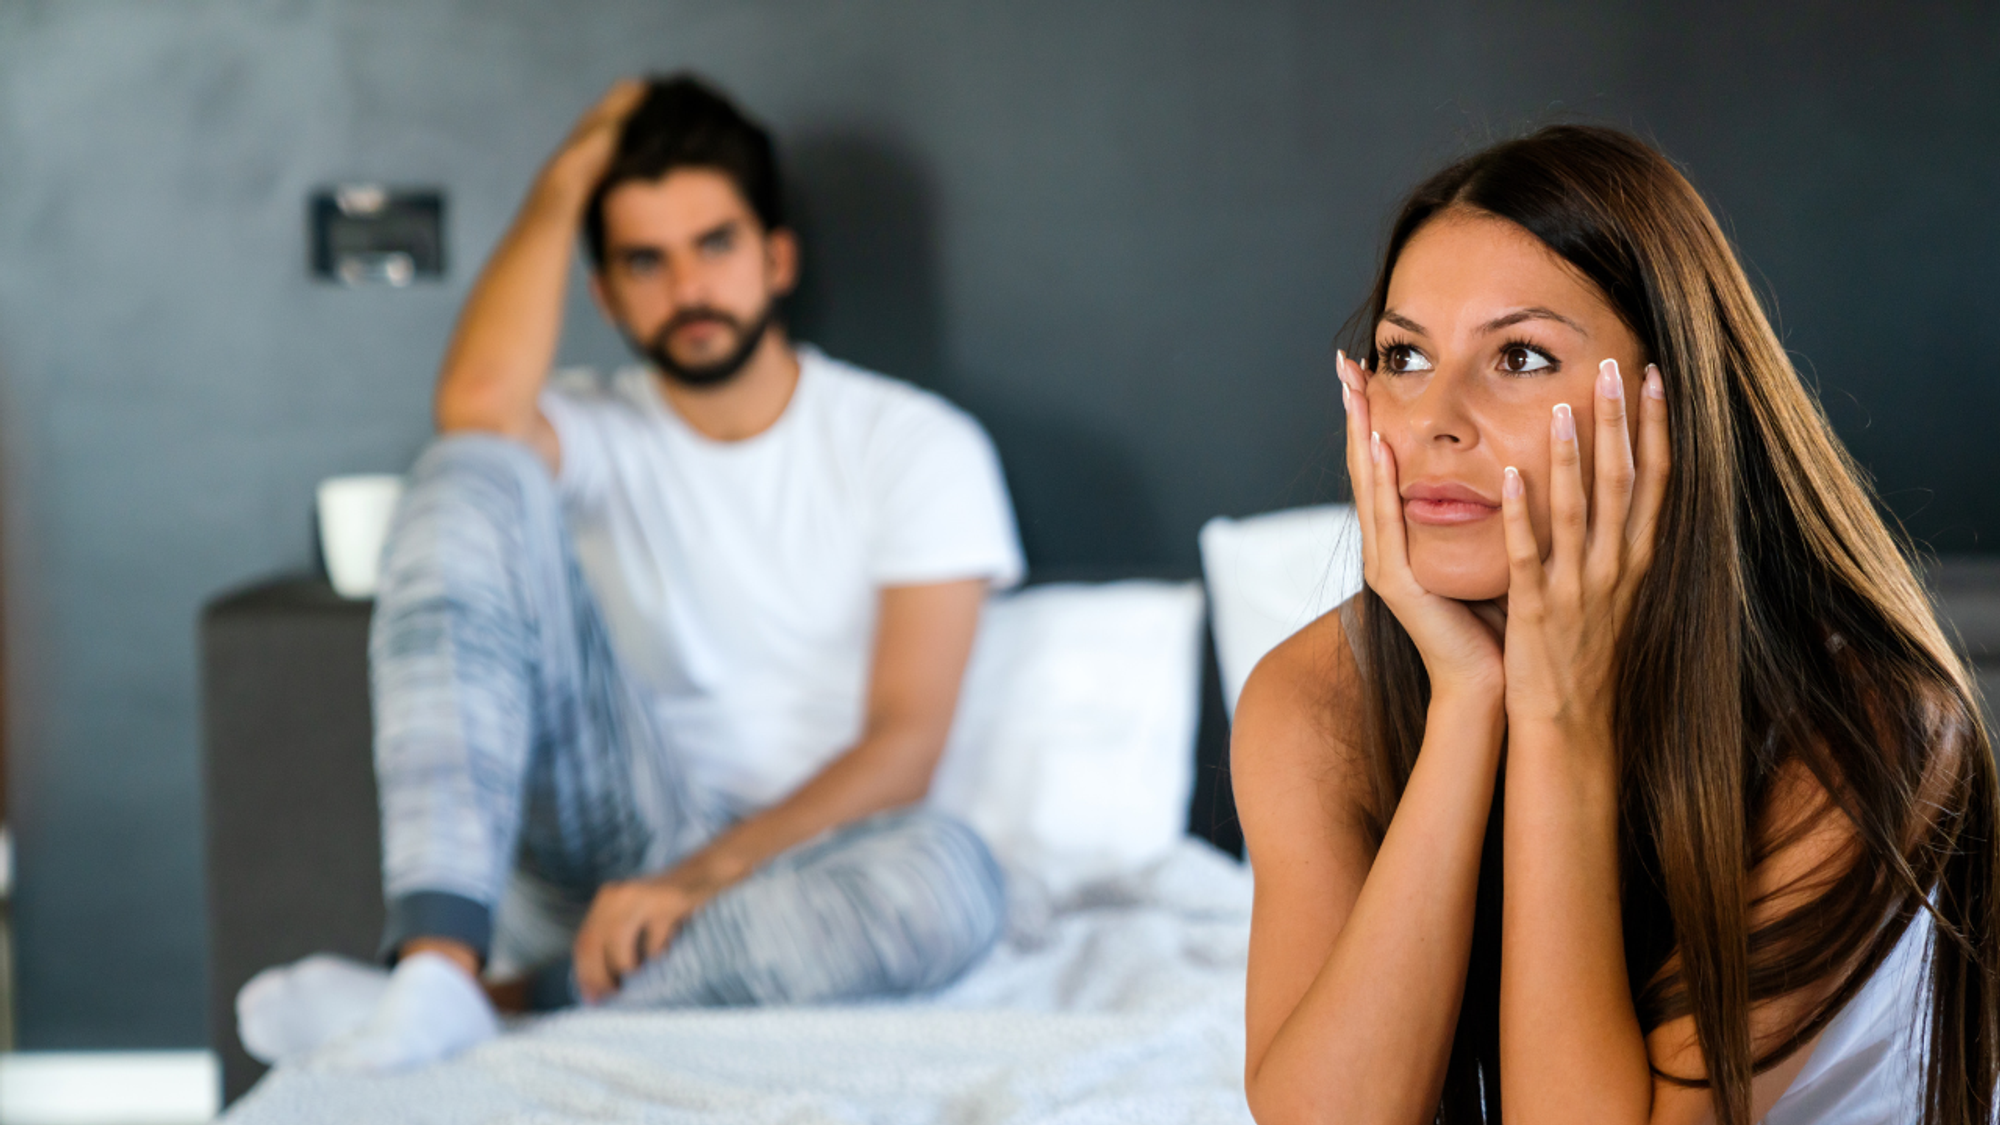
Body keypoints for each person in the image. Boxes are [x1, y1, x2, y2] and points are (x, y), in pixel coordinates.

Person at [238, 75, 1024, 1072]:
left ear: (776, 258)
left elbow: (905, 745)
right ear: (602, 292)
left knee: (951, 878)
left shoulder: (913, 445)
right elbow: (477, 404)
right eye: (644, 261)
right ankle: (437, 956)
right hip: (601, 837)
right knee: (472, 465)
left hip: (804, 866)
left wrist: (700, 881)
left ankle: (508, 1003)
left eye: (715, 245)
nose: (687, 289)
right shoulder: (590, 428)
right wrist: (570, 173)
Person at [1233, 125, 1998, 1125]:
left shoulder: (1864, 728)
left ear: (1666, 401)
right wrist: (1470, 700)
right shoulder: (1311, 697)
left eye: (1517, 355)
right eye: (1402, 354)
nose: (1431, 418)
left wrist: (1556, 720)